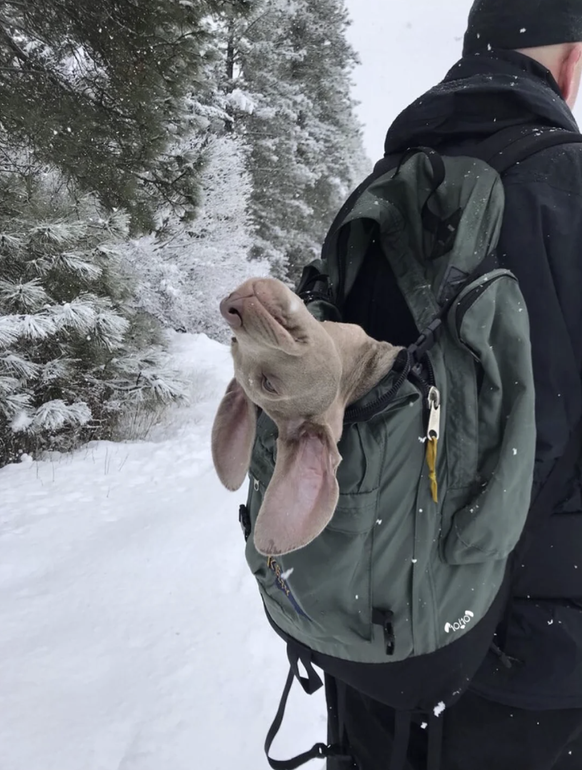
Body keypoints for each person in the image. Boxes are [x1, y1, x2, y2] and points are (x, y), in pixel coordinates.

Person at [327, 2, 582, 768]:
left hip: (372, 634)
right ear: (567, 64)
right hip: (530, 660)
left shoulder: (383, 184)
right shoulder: (567, 185)